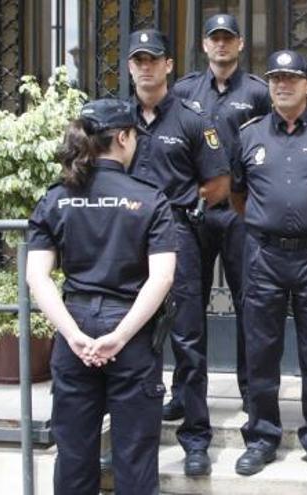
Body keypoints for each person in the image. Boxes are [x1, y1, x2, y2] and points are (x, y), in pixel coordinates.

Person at [26, 98, 177, 494]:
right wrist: (121, 336)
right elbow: (161, 279)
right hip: (131, 335)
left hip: (74, 329)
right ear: (124, 137)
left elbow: (36, 277)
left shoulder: (56, 198)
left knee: (74, 455)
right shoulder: (149, 198)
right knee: (135, 457)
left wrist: (73, 334)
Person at [231, 50, 307, 477]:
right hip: (263, 255)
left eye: (291, 78)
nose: (282, 85)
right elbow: (238, 197)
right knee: (261, 350)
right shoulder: (248, 134)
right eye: (276, 78)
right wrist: (271, 227)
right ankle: (262, 436)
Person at [127, 28, 230, 476]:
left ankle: (195, 437)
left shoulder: (192, 118)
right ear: (130, 67)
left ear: (169, 65)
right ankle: (137, 431)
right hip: (126, 242)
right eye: (138, 60)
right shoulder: (115, 121)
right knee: (132, 335)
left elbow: (219, 183)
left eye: (153, 59)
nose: (146, 67)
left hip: (178, 237)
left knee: (188, 337)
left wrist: (185, 208)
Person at [171, 13, 272, 413]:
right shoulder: (182, 90)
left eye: (228, 38)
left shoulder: (259, 92)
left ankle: (251, 392)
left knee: (250, 304)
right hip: (192, 211)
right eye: (215, 38)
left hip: (238, 211)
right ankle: (185, 393)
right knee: (187, 307)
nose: (221, 44)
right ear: (204, 44)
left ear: (240, 44)